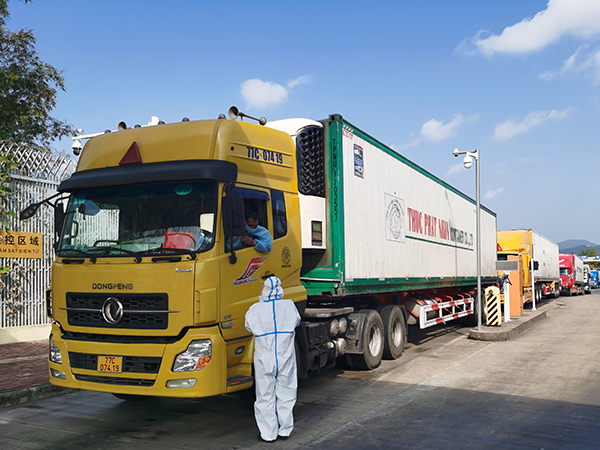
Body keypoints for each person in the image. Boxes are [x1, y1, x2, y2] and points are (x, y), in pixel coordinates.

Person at [245, 276, 301, 442]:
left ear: (264, 290)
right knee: (286, 392)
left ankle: (268, 434)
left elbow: (248, 326)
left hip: (264, 356)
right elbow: (297, 321)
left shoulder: (255, 309)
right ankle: (285, 430)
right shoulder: (289, 306)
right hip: (285, 355)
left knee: (264, 395)